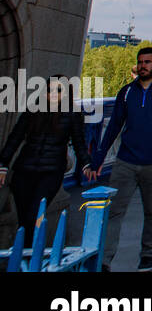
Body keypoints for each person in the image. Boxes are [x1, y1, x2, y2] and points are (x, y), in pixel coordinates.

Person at [90, 47, 152, 271]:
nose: (143, 65)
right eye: (140, 62)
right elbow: (113, 126)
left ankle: (147, 255)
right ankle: (105, 260)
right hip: (125, 160)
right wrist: (98, 158)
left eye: (147, 62)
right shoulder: (127, 92)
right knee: (114, 210)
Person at [0, 76, 93, 242]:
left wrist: (86, 163)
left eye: (59, 89)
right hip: (24, 170)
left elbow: (79, 143)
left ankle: (29, 257)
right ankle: (25, 258)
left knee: (35, 213)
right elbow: (15, 138)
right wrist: (3, 165)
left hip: (50, 173)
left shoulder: (72, 114)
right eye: (50, 89)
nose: (54, 93)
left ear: (66, 93)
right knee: (23, 220)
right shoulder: (33, 110)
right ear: (44, 93)